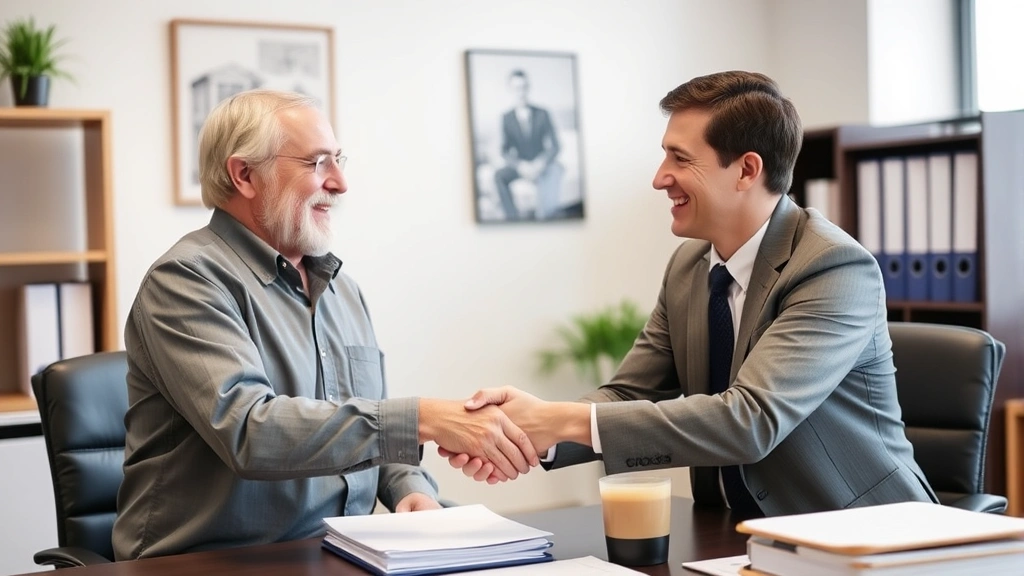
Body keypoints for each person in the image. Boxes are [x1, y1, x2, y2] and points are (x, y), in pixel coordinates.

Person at [444, 71, 937, 517]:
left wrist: (557, 419)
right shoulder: (689, 266)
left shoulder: (832, 267)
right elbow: (628, 394)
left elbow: (750, 420)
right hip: (738, 536)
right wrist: (530, 433)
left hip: (865, 533)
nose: (659, 177)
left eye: (679, 158)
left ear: (746, 170)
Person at [113, 90, 538, 560]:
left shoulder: (342, 289)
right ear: (245, 174)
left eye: (338, 160)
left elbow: (366, 427)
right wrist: (423, 418)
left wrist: (410, 491)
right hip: (212, 562)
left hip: (340, 552)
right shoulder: (187, 280)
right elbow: (251, 431)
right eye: (317, 164)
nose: (340, 183)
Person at [493, 69, 564, 220]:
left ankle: (547, 216)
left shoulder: (542, 113)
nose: (521, 92)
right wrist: (519, 165)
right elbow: (504, 151)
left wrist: (542, 162)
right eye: (517, 88)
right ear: (510, 90)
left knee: (555, 170)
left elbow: (556, 145)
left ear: (528, 87)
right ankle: (512, 219)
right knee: (499, 176)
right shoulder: (507, 118)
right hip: (521, 165)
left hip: (542, 163)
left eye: (524, 87)